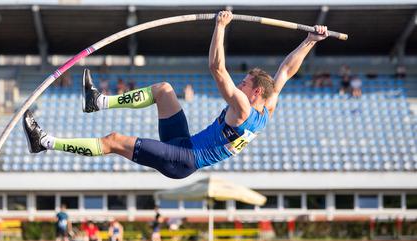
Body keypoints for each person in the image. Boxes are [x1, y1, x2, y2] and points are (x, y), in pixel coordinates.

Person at [22, 10, 329, 179]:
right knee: (164, 90)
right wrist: (310, 41)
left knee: (113, 140)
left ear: (256, 91)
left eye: (245, 82)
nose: (240, 84)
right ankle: (98, 101)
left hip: (183, 161)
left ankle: (45, 142)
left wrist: (221, 26)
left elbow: (216, 68)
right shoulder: (267, 108)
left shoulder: (243, 109)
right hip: (184, 144)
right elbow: (287, 70)